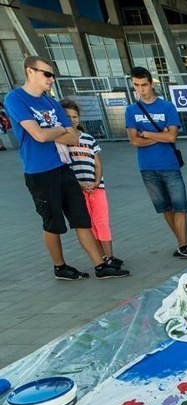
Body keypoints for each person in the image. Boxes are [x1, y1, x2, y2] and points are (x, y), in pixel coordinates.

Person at [5, 56, 127, 279]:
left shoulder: (51, 102)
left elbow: (73, 136)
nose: (51, 79)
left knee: (82, 218)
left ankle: (100, 265)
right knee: (53, 223)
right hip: (39, 172)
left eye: (53, 75)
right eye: (47, 74)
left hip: (63, 168)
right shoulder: (16, 98)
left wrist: (54, 132)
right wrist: (58, 130)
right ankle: (60, 266)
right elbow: (38, 135)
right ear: (29, 71)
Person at [125, 66, 187, 260]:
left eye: (144, 84)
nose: (141, 89)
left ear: (151, 84)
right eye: (136, 85)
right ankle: (181, 242)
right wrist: (161, 136)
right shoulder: (131, 110)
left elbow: (172, 137)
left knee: (180, 206)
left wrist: (147, 134)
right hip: (147, 167)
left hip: (169, 165)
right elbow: (134, 141)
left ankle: (183, 245)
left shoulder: (167, 107)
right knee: (164, 207)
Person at [61, 99, 128, 272]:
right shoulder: (61, 142)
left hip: (96, 188)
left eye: (75, 116)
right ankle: (101, 258)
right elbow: (64, 167)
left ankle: (110, 256)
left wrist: (97, 181)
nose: (72, 119)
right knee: (88, 225)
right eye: (67, 116)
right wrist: (80, 184)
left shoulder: (88, 139)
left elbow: (97, 163)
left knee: (102, 222)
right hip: (77, 190)